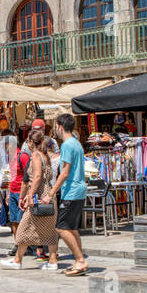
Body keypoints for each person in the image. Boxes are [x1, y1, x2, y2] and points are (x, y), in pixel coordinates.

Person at [0, 127, 59, 271]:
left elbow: (37, 177)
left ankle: (17, 260)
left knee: (23, 227)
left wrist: (30, 196)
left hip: (39, 195)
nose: (26, 143)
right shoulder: (46, 155)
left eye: (27, 141)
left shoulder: (36, 156)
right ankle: (52, 261)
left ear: (32, 142)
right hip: (47, 194)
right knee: (50, 230)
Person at [42, 114, 89, 276]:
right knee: (72, 228)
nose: (55, 129)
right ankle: (79, 260)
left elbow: (65, 172)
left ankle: (80, 260)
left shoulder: (67, 145)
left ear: (60, 126)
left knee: (61, 228)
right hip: (79, 189)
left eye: (56, 126)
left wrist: (51, 193)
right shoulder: (77, 143)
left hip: (72, 191)